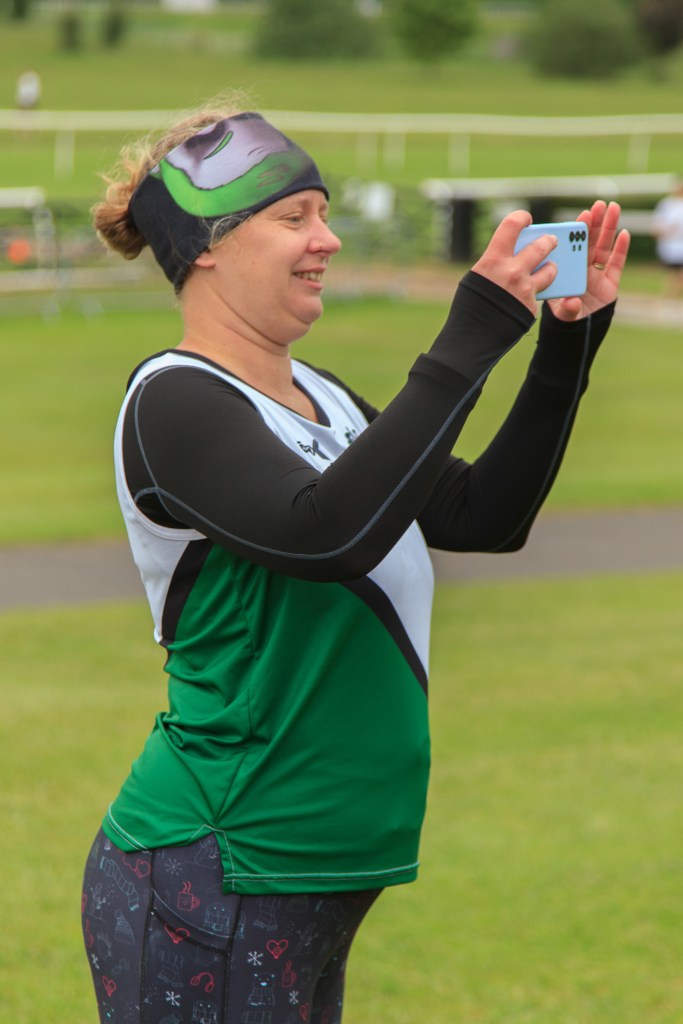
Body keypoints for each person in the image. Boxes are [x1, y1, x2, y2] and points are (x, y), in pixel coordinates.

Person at [82, 96, 630, 1024]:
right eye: (293, 217)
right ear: (207, 245)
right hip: (220, 861)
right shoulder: (173, 398)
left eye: (325, 213)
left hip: (307, 873)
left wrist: (564, 345)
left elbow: (482, 514)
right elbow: (327, 537)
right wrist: (474, 327)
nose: (325, 239)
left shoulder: (324, 398)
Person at [652, 178, 683, 299]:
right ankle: (670, 295)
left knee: (677, 273)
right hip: (670, 245)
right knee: (674, 272)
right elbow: (658, 224)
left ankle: (669, 295)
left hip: (678, 244)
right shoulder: (666, 204)